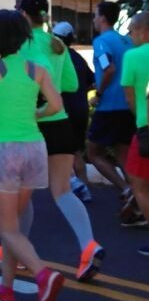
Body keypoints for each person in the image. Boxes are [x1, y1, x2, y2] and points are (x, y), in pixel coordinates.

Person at [0, 9, 66, 301]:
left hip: (3, 149)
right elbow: (55, 105)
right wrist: (34, 114)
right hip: (33, 148)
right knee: (13, 228)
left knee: (7, 229)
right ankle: (7, 290)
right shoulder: (35, 69)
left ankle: (44, 274)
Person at [16, 0, 103, 282]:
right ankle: (88, 245)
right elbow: (71, 84)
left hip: (33, 124)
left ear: (22, 14)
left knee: (23, 190)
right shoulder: (57, 44)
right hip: (60, 123)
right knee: (63, 190)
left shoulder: (19, 44)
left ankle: (19, 251)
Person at [87, 1, 136, 212]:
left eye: (95, 15)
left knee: (92, 152)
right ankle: (137, 195)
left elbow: (108, 69)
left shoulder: (101, 42)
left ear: (103, 18)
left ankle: (126, 190)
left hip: (108, 106)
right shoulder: (128, 41)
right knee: (123, 154)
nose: (94, 20)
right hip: (127, 105)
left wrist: (98, 93)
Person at [52, 21, 95, 203]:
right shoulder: (78, 57)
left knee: (58, 152)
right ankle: (84, 189)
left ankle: (74, 187)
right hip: (82, 110)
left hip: (64, 111)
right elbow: (92, 82)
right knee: (76, 150)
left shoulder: (56, 58)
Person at [120, 11, 149, 256]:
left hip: (145, 128)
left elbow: (129, 97)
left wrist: (140, 116)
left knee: (138, 182)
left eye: (132, 30)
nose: (130, 35)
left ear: (143, 30)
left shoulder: (132, 56)